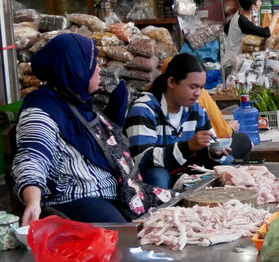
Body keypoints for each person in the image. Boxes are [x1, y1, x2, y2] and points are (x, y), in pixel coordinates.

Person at [13, 35, 158, 224]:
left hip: (116, 191)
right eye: (92, 64)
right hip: (77, 198)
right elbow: (32, 157)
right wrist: (33, 202)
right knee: (127, 238)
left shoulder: (77, 101)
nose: (99, 70)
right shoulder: (41, 111)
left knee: (170, 213)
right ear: (75, 69)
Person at [125, 54, 227, 188]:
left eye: (201, 87)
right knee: (159, 176)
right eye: (193, 87)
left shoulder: (196, 109)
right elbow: (142, 159)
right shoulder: (143, 110)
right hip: (148, 174)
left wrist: (215, 151)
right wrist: (188, 147)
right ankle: (156, 208)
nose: (198, 93)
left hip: (182, 168)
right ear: (172, 82)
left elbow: (209, 142)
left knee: (227, 164)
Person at [224, 0, 279, 64]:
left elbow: (226, 29)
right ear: (253, 7)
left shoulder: (239, 13)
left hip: (233, 57)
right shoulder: (243, 21)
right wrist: (275, 16)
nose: (261, 2)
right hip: (234, 62)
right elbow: (266, 33)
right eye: (259, 1)